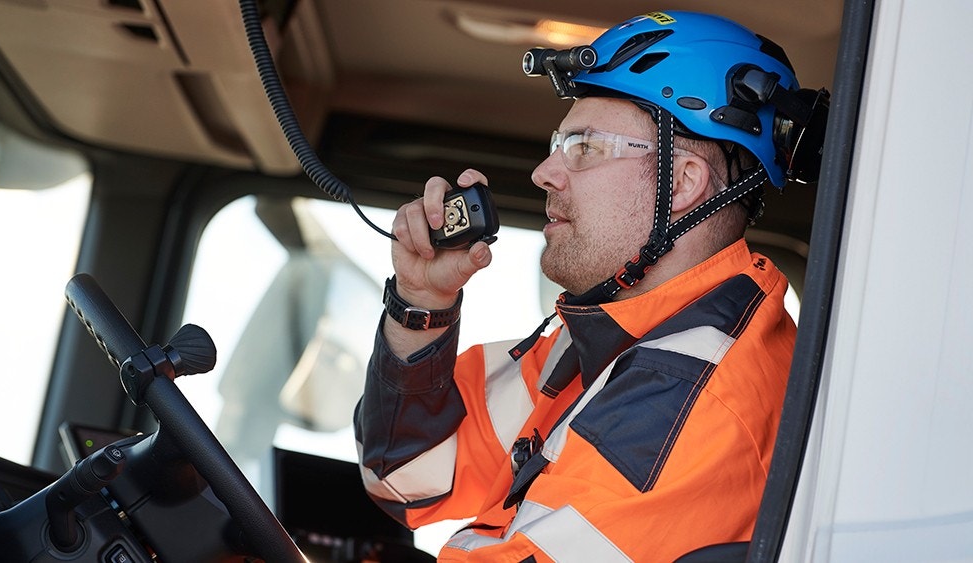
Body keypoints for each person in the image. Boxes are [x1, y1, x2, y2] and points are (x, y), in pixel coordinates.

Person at [354, 10, 826, 562]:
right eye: (559, 143)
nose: (544, 173)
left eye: (584, 147)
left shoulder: (694, 393)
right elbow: (406, 477)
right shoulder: (609, 337)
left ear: (682, 185)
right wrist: (421, 303)